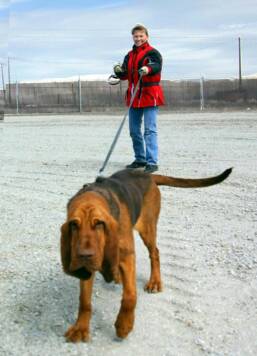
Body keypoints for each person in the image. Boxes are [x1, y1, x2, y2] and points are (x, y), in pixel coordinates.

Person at [113, 24, 165, 173]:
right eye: (136, 36)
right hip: (134, 96)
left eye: (141, 36)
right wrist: (118, 72)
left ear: (146, 36)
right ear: (133, 37)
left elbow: (156, 66)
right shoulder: (129, 55)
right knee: (134, 130)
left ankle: (152, 162)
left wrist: (147, 68)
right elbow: (124, 74)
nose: (138, 38)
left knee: (150, 129)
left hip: (149, 95)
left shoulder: (153, 53)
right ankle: (140, 159)